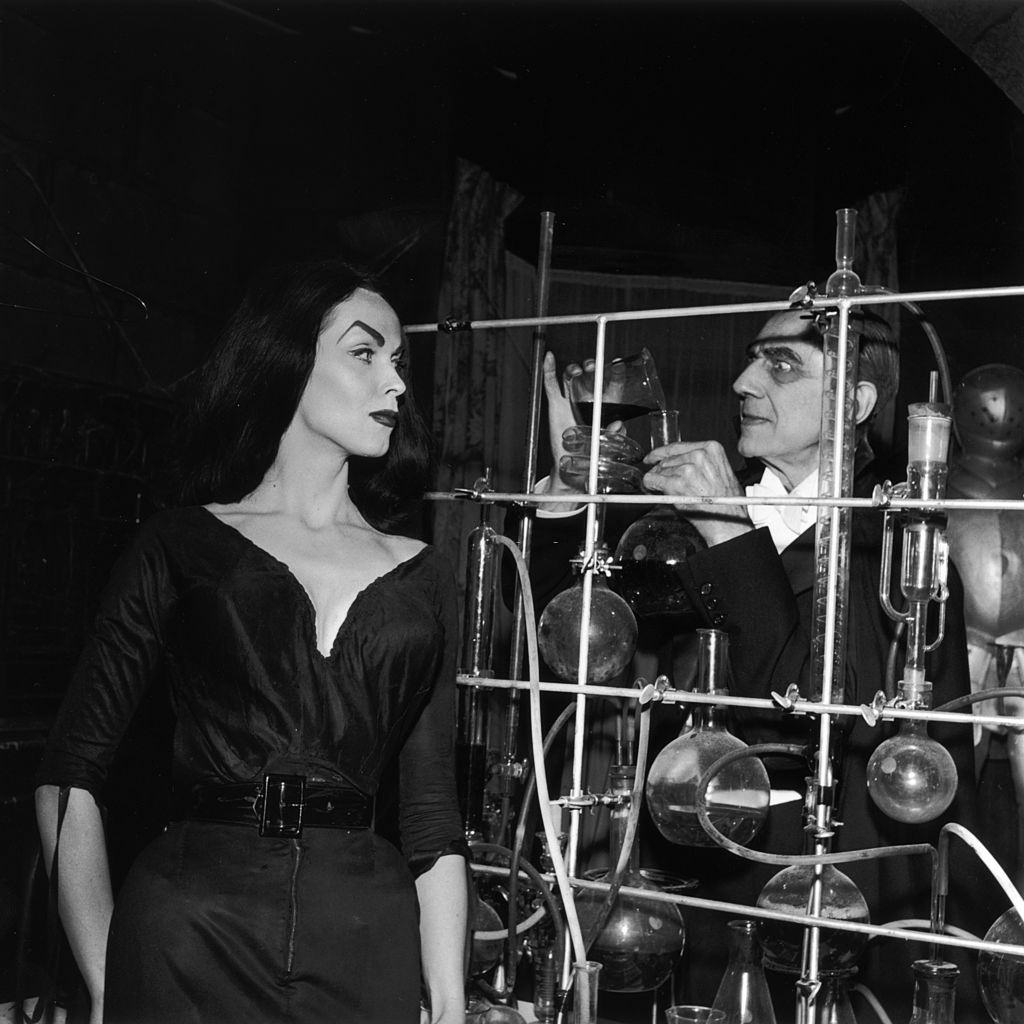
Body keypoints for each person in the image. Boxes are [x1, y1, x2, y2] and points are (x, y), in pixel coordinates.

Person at [34, 260, 469, 1024]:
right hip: (188, 928)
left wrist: (454, 1004)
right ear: (289, 358)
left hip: (365, 936)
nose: (396, 386)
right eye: (366, 354)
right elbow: (71, 774)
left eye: (400, 363)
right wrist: (109, 979)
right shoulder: (180, 543)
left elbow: (432, 820)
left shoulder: (425, 576)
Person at [527, 304, 990, 1019]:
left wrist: (724, 529)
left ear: (855, 404)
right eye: (751, 357)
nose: (743, 381)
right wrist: (566, 490)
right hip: (692, 897)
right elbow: (565, 633)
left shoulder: (891, 544)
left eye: (781, 364)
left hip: (820, 917)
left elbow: (803, 705)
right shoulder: (704, 519)